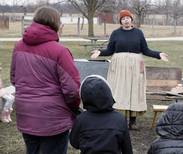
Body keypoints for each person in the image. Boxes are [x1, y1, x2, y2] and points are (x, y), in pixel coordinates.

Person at [10, 6, 80, 154]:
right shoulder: (60, 51)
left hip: (26, 112)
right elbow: (72, 90)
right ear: (55, 23)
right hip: (53, 119)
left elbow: (14, 78)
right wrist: (74, 109)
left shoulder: (18, 47)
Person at [90, 9, 168, 130]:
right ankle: (118, 121)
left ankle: (133, 122)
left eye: (128, 18)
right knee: (119, 90)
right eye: (123, 18)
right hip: (119, 66)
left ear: (131, 19)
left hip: (136, 65)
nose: (126, 20)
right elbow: (110, 50)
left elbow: (146, 50)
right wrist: (99, 52)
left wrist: (158, 55)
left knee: (134, 90)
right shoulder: (116, 33)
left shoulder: (138, 33)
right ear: (120, 21)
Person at [70, 75, 133, 154]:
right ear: (108, 94)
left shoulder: (81, 119)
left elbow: (74, 143)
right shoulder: (119, 119)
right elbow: (127, 148)